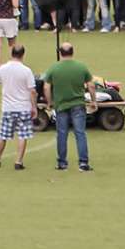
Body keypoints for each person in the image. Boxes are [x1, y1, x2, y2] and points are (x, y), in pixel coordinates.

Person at [42, 41, 94, 172]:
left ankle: (62, 163)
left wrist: (49, 102)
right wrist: (94, 101)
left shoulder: (54, 68)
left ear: (60, 53)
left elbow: (46, 87)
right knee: (80, 133)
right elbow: (91, 85)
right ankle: (83, 163)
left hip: (61, 105)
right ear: (73, 52)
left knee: (61, 133)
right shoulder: (81, 67)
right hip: (78, 104)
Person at [0, 44, 34, 170]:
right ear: (23, 54)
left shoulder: (3, 69)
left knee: (3, 135)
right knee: (22, 135)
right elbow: (32, 91)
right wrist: (34, 106)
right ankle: (18, 162)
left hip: (8, 107)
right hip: (23, 106)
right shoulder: (26, 71)